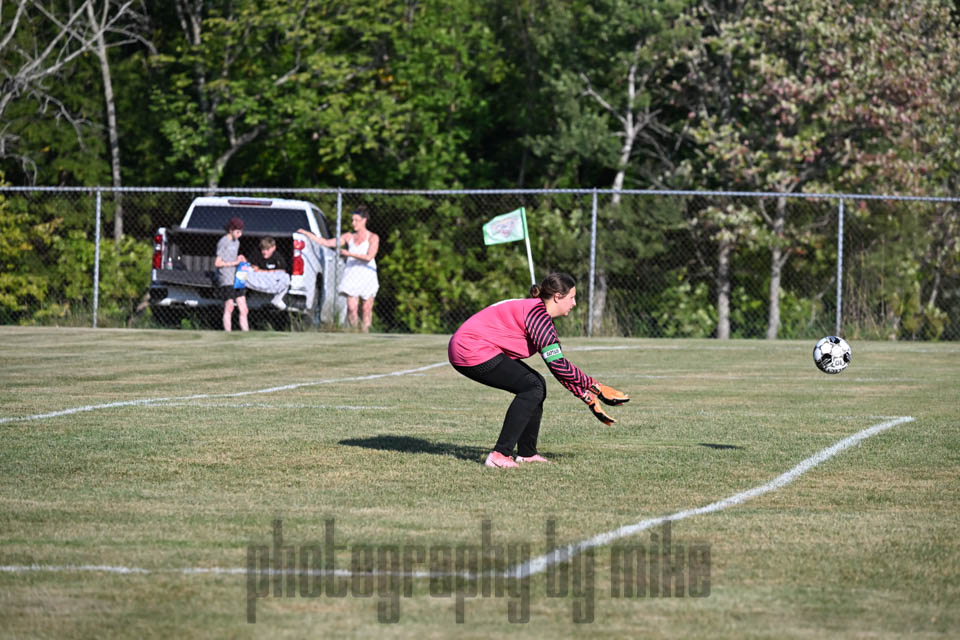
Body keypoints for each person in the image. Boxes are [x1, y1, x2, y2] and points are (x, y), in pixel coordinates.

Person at [448, 272, 630, 468]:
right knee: (532, 386)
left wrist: (586, 394)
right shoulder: (538, 316)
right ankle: (499, 455)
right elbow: (559, 366)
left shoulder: (538, 312)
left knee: (537, 385)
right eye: (572, 298)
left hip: (471, 346)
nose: (574, 303)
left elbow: (557, 366)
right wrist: (595, 387)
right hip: (470, 349)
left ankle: (527, 453)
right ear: (557, 297)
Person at [298, 205, 379, 331]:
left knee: (366, 308)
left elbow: (369, 257)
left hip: (367, 275)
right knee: (352, 308)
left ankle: (365, 332)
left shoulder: (373, 237)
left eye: (356, 220)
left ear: (364, 221)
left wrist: (349, 254)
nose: (353, 223)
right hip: (352, 274)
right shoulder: (348, 236)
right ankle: (355, 332)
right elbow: (327, 242)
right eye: (352, 220)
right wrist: (308, 234)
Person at [214, 216, 248, 332]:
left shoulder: (237, 242)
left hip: (237, 277)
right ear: (230, 230)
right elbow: (217, 263)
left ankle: (246, 334)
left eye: (241, 231)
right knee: (229, 307)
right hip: (226, 278)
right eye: (238, 231)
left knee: (244, 309)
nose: (240, 234)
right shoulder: (224, 242)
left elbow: (233, 257)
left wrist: (240, 258)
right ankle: (228, 334)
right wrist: (234, 262)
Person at [246, 236, 290, 311]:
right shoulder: (257, 254)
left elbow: (282, 271)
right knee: (244, 272)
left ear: (274, 248)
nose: (264, 252)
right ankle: (241, 296)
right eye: (263, 249)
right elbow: (251, 266)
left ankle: (277, 300)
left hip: (272, 279)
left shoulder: (277, 257)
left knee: (286, 278)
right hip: (259, 278)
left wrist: (263, 271)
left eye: (267, 249)